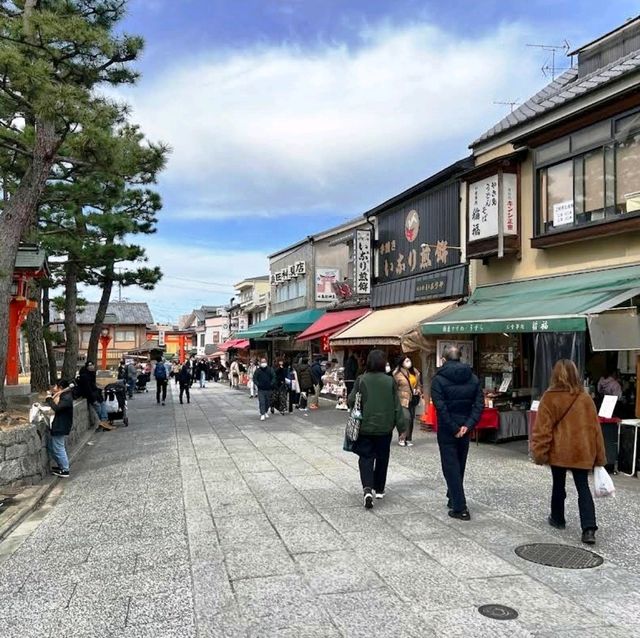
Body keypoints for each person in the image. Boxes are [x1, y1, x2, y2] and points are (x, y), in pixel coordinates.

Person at [531, 359, 607, 545]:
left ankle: (558, 518)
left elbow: (542, 430)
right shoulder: (585, 398)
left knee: (558, 485)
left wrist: (539, 453)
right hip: (582, 452)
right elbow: (595, 429)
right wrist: (599, 456)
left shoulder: (549, 398)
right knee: (583, 488)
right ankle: (589, 529)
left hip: (559, 452)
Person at [347, 349, 406, 509]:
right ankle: (379, 489)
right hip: (384, 427)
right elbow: (397, 406)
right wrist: (402, 427)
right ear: (382, 363)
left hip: (364, 426)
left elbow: (351, 400)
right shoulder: (389, 381)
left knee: (366, 457)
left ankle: (367, 488)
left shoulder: (361, 379)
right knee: (382, 457)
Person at [431, 345, 484, 521]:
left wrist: (453, 427)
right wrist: (467, 426)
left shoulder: (438, 379)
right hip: (465, 426)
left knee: (450, 465)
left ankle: (460, 507)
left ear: (444, 359)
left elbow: (440, 406)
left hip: (448, 428)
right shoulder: (473, 377)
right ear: (460, 358)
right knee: (459, 463)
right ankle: (453, 496)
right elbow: (479, 405)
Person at [45, 379, 74, 478]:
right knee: (52, 446)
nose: (54, 388)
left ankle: (65, 470)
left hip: (61, 425)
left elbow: (57, 408)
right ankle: (61, 466)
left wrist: (49, 399)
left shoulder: (66, 397)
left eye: (56, 386)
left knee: (58, 448)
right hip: (59, 424)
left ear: (60, 387)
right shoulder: (64, 395)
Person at [393, 356, 422, 448]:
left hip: (412, 398)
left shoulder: (415, 372)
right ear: (402, 363)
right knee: (406, 418)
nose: (408, 362)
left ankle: (408, 438)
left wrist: (418, 389)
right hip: (402, 399)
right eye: (406, 361)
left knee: (411, 419)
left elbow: (418, 385)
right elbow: (394, 387)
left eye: (409, 360)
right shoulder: (397, 374)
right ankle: (402, 437)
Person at [77, 361, 113, 431]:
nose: (92, 366)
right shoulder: (84, 376)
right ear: (87, 367)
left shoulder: (93, 374)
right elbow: (87, 389)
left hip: (97, 395)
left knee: (103, 407)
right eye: (90, 365)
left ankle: (104, 423)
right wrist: (93, 398)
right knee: (99, 409)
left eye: (92, 365)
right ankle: (104, 424)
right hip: (92, 396)